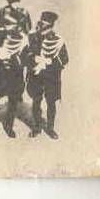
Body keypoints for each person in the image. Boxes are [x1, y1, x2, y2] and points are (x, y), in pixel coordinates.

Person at [0, 14, 28, 138]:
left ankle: (9, 126)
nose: (8, 27)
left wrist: (18, 59)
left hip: (14, 75)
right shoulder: (0, 35)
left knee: (12, 102)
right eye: (7, 24)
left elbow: (27, 56)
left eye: (12, 24)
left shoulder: (23, 39)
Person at [26, 11, 69, 139]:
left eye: (45, 27)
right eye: (41, 25)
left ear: (51, 27)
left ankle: (50, 128)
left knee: (51, 103)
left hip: (51, 77)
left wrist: (49, 62)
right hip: (36, 76)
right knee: (36, 102)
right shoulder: (32, 38)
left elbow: (65, 59)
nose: (42, 29)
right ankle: (37, 127)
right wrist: (34, 58)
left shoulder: (58, 41)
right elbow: (25, 55)